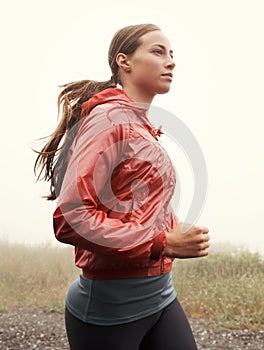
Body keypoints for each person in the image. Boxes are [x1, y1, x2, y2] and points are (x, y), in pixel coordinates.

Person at [34, 23, 210, 350]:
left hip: (160, 296)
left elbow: (133, 200)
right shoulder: (107, 120)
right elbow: (72, 217)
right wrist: (160, 242)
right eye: (158, 52)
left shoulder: (140, 126)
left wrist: (170, 228)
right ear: (123, 61)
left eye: (172, 54)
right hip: (110, 311)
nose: (170, 61)